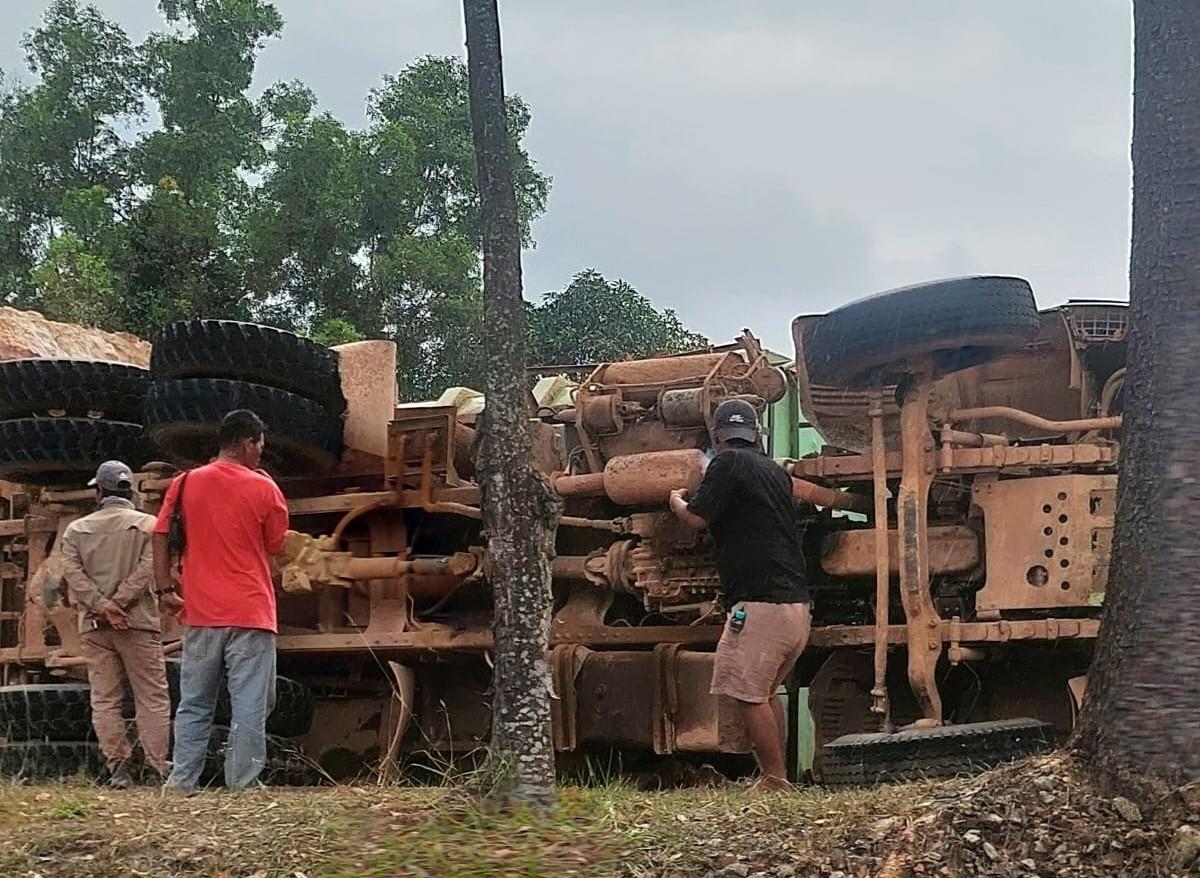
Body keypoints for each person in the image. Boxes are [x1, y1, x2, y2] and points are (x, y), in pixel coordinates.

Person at [669, 399, 811, 791]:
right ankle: (779, 777)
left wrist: (675, 499)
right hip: (795, 606)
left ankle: (775, 779)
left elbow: (696, 517)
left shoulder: (727, 463)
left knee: (748, 695)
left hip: (760, 603)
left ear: (718, 436)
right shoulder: (774, 471)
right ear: (756, 434)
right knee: (764, 692)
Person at [153, 409, 290, 793]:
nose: (260, 453)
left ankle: (182, 782)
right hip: (251, 612)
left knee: (195, 702)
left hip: (200, 611)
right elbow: (277, 544)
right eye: (259, 445)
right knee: (250, 704)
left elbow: (159, 534)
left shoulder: (183, 483)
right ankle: (242, 783)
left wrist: (164, 589)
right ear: (247, 443)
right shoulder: (265, 488)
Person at [61, 460, 171, 788]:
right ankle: (155, 768)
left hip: (95, 626)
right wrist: (119, 604)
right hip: (138, 623)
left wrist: (102, 606)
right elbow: (149, 569)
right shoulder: (150, 526)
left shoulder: (76, 530)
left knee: (105, 698)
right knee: (151, 696)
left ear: (99, 491)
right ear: (131, 491)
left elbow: (72, 574)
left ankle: (119, 768)